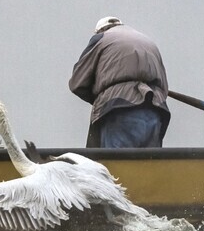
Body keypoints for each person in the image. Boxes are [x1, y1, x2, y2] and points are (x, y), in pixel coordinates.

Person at [69, 16, 171, 148]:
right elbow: (164, 88)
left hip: (120, 108)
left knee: (118, 165)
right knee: (147, 165)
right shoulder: (149, 42)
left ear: (100, 30)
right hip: (155, 111)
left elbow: (77, 82)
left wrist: (99, 95)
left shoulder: (102, 38)